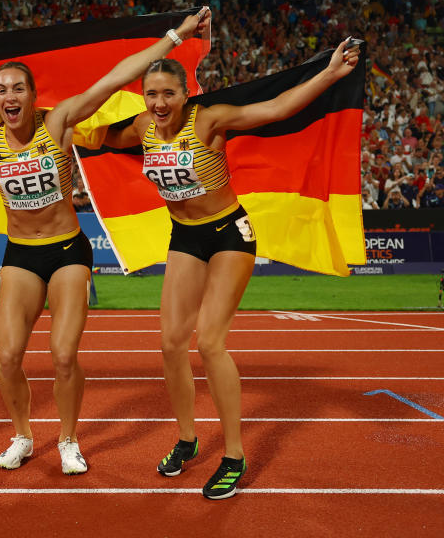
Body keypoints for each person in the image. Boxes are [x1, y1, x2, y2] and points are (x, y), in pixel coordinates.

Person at [0, 9, 210, 474]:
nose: (10, 97)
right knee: (8, 357)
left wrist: (175, 36)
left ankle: (68, 439)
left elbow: (114, 80)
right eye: (1, 90)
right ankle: (23, 436)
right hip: (21, 254)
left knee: (63, 354)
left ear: (33, 97)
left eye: (18, 88)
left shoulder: (59, 124)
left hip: (68, 249)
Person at [101, 38, 361, 498]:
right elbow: (94, 135)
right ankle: (186, 438)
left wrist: (330, 74)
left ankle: (234, 455)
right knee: (169, 343)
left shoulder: (210, 119)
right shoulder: (142, 128)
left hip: (228, 234)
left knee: (211, 342)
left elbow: (277, 108)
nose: (159, 104)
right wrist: (51, 123)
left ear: (186, 94)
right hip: (183, 235)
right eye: (152, 94)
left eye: (168, 94)